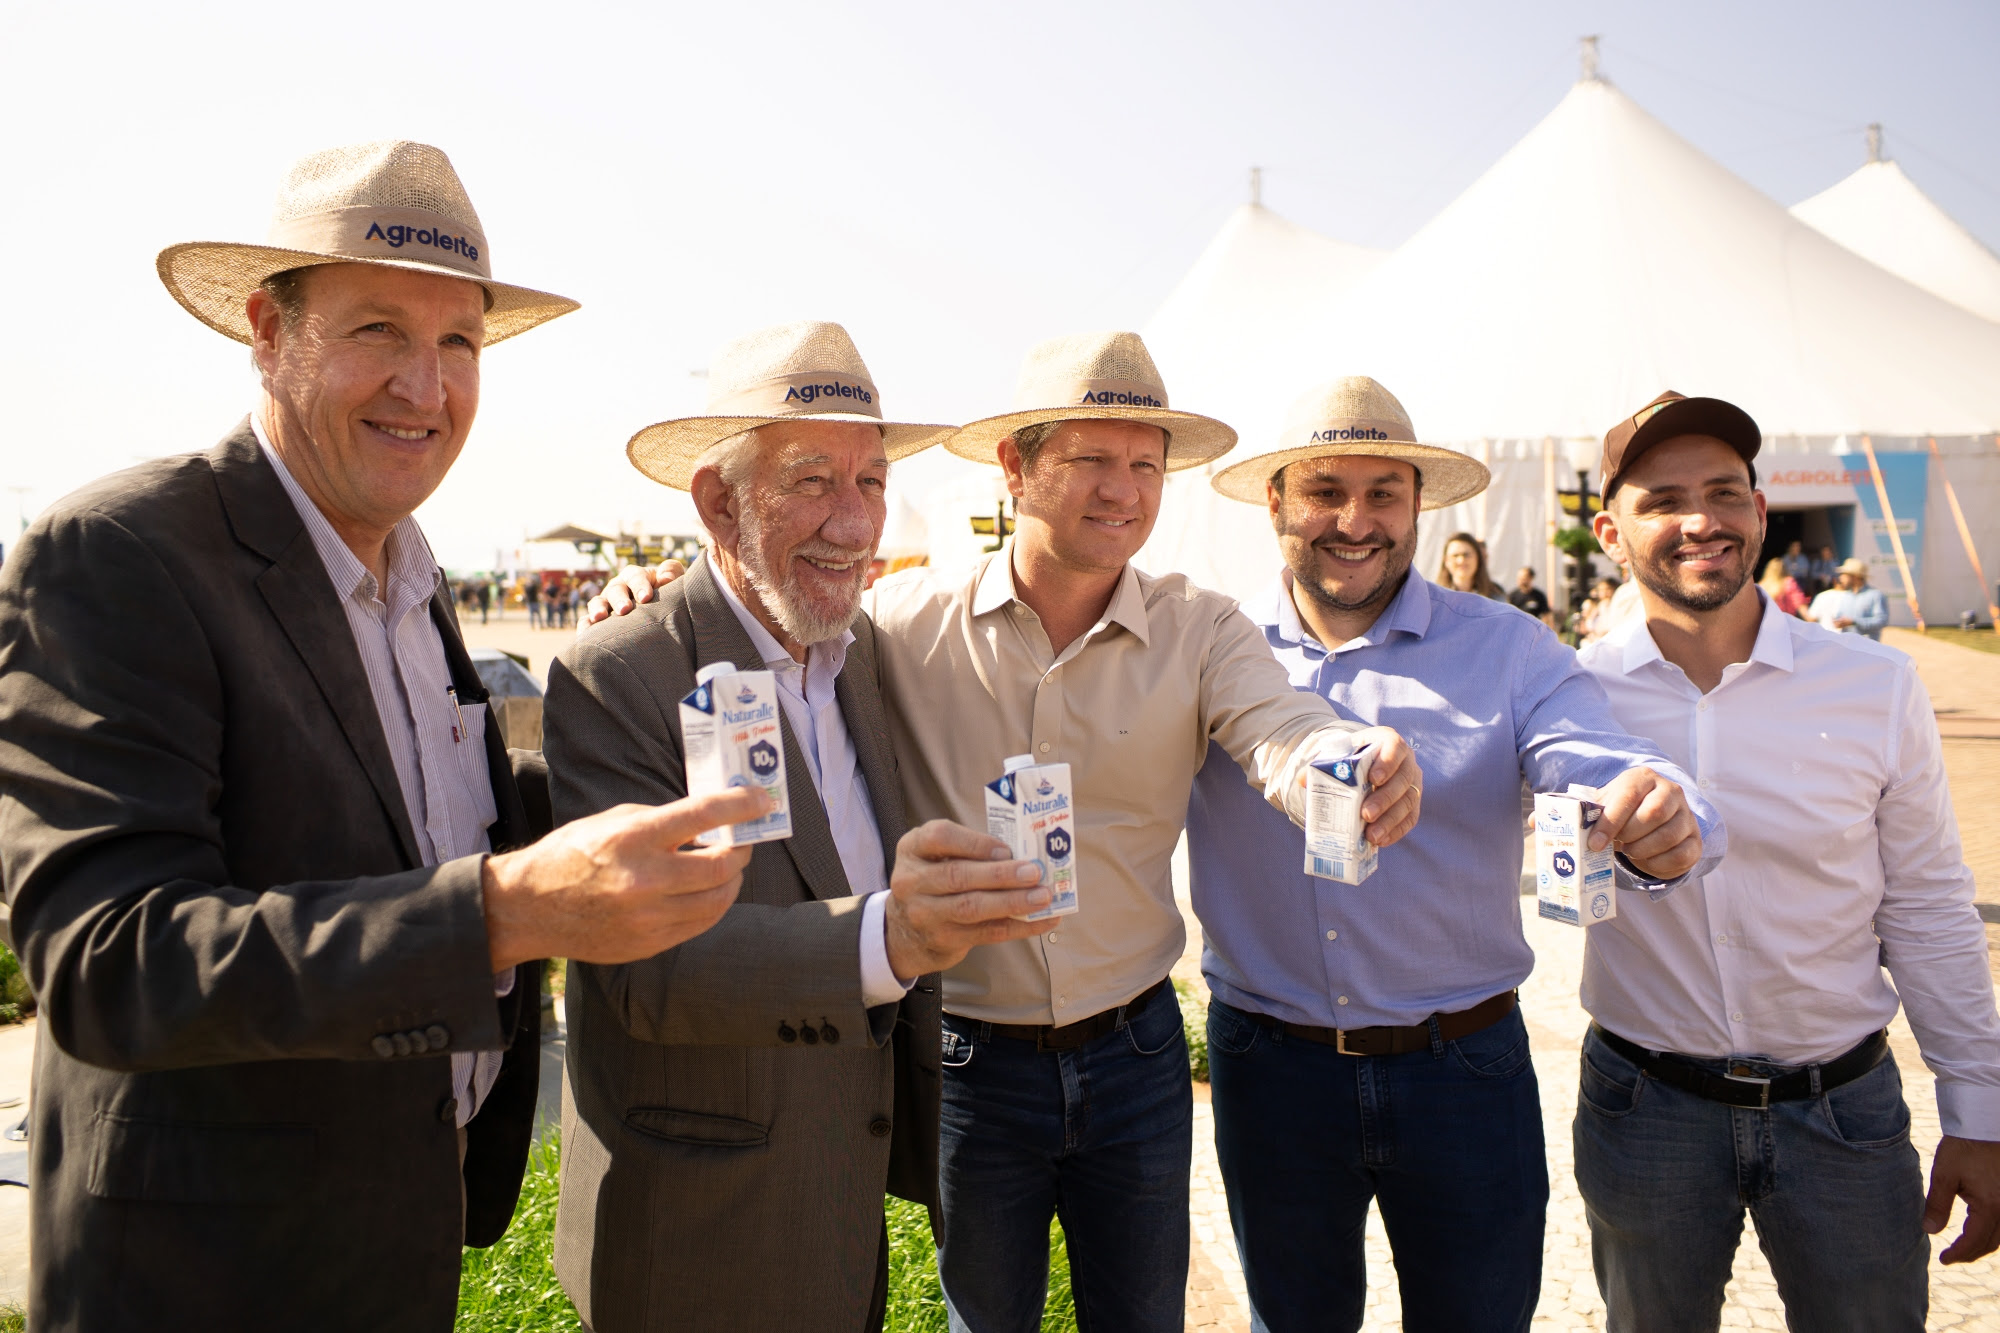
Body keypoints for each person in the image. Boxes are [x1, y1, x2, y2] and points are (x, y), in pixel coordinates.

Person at [0, 141, 777, 1333]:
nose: (426, 387)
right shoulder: (117, 552)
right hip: (203, 1278)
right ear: (267, 329)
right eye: (377, 331)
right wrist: (507, 909)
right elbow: (111, 959)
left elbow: (398, 807)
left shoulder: (408, 573)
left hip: (393, 1239)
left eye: (458, 343)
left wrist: (604, 766)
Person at [593, 331, 1424, 1333]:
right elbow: (767, 617)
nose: (1121, 491)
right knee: (983, 1320)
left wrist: (1346, 759)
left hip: (1136, 1053)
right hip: (965, 1066)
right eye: (1088, 460)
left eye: (1144, 466)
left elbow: (1277, 728)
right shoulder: (896, 624)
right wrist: (660, 594)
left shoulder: (1199, 628)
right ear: (1014, 467)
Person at [544, 321, 1058, 1332]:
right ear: (715, 504)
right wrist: (890, 939)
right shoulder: (623, 670)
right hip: (694, 1224)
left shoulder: (861, 652)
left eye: (869, 482)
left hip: (838, 1201)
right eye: (811, 479)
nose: (852, 521)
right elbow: (639, 966)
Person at [1188, 375, 1720, 1333]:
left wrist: (1659, 816)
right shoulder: (1211, 649)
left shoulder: (1509, 649)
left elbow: (1592, 759)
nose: (1356, 520)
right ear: (1275, 504)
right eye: (1324, 490)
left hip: (1463, 1070)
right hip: (1271, 1071)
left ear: (1420, 503)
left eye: (1385, 491)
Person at [1576, 390, 2000, 1331]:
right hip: (1646, 1108)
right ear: (1611, 531)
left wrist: (1979, 1107)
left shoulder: (1874, 685)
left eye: (1726, 492)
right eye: (1663, 499)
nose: (1702, 520)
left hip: (1843, 1109)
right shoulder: (1571, 695)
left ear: (1760, 514)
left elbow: (1929, 906)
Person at [1808, 557, 1889, 639]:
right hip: (1848, 646)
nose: (1840, 578)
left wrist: (1854, 622)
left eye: (1844, 574)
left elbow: (1881, 621)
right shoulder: (1846, 595)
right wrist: (1839, 622)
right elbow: (1840, 616)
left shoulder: (1875, 595)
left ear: (1855, 576)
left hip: (1867, 647)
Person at [1436, 530, 1505, 598]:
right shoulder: (1436, 596)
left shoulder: (1495, 594)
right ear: (1446, 561)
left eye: (1466, 555)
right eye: (1455, 555)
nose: (1461, 561)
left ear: (1478, 558)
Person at [1576, 576, 1621, 643]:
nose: (1605, 593)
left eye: (1608, 589)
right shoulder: (1597, 606)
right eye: (1601, 590)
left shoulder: (1618, 605)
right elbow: (1589, 625)